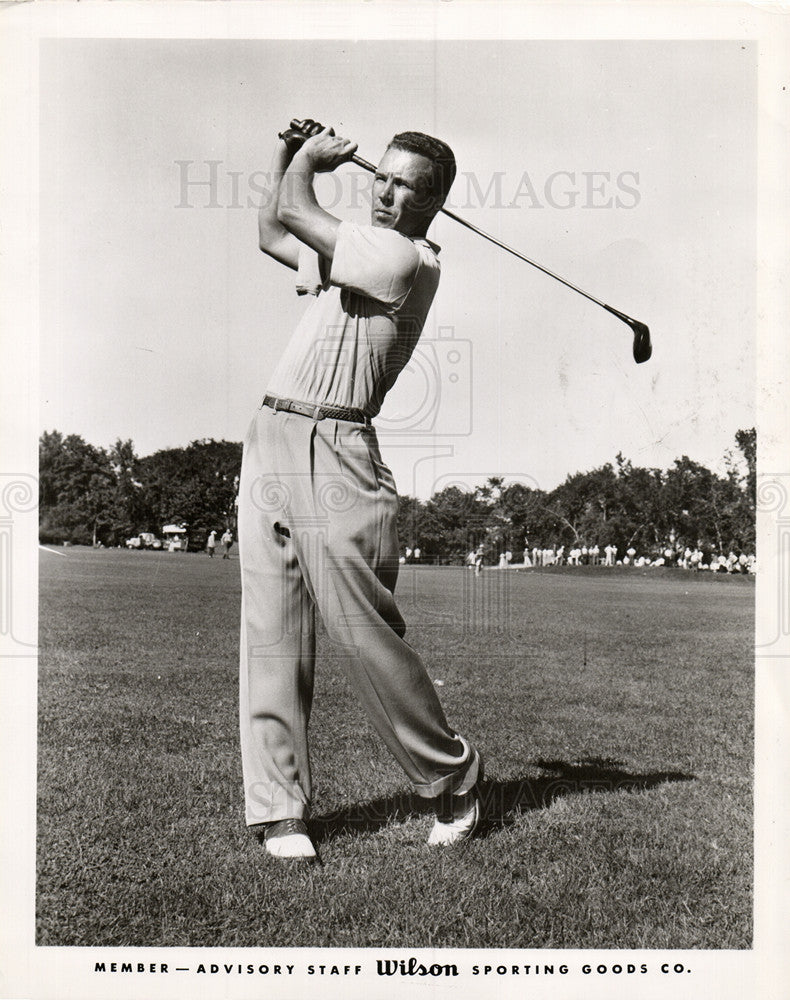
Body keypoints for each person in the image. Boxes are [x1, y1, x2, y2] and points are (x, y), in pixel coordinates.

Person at [239, 122, 482, 861]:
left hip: (340, 452)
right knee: (271, 632)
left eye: (405, 183)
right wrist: (286, 155)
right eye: (382, 174)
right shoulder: (360, 251)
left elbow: (301, 211)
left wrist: (310, 163)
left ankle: (453, 776)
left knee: (361, 632)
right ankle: (282, 813)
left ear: (433, 200)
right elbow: (271, 229)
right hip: (272, 436)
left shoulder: (402, 257)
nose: (384, 190)